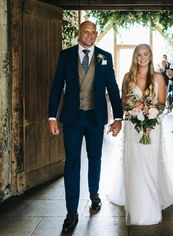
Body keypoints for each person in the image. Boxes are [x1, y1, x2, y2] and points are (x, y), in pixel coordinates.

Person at [48, 21, 123, 233]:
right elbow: (57, 87)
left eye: (93, 33)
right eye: (85, 32)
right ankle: (71, 211)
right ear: (79, 33)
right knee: (72, 162)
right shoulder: (66, 55)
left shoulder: (104, 57)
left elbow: (113, 89)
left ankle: (93, 193)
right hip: (72, 118)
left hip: (95, 118)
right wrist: (52, 116)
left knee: (95, 157)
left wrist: (118, 117)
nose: (89, 36)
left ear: (96, 35)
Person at [109, 44, 173, 225]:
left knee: (150, 160)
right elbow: (124, 102)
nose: (142, 58)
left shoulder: (158, 77)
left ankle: (151, 200)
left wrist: (150, 111)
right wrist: (134, 109)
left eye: (146, 54)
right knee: (135, 162)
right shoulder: (128, 77)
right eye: (139, 54)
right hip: (133, 128)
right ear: (135, 57)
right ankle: (136, 199)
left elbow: (161, 103)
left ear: (151, 56)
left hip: (152, 127)